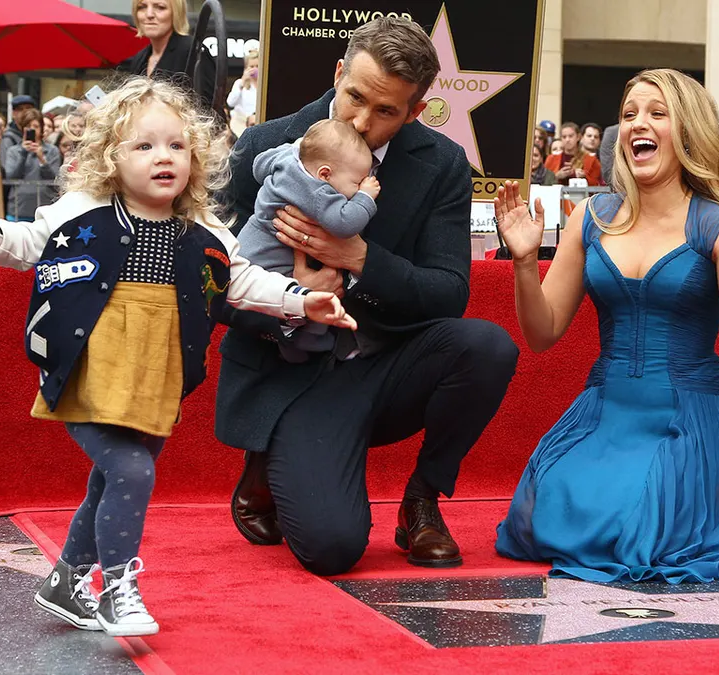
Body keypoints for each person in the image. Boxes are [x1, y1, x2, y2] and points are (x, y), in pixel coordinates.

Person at [0, 77, 355, 637]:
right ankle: (115, 588)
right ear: (111, 155)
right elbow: (25, 243)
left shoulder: (202, 229)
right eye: (144, 145)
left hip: (156, 376)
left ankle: (65, 581)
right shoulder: (83, 209)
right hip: (90, 371)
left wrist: (303, 301)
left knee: (111, 480)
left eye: (177, 146)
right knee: (130, 470)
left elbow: (242, 282)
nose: (164, 157)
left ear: (196, 157)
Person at [492, 68, 719, 583]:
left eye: (655, 113)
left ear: (686, 132)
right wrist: (523, 262)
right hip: (604, 415)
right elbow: (542, 333)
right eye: (628, 115)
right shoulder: (591, 216)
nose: (636, 124)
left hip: (691, 421)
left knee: (640, 528)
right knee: (544, 516)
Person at [219, 16, 518, 575]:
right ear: (338, 74)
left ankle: (423, 501)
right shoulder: (266, 146)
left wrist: (358, 259)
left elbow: (448, 294)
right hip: (294, 373)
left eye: (386, 111)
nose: (361, 119)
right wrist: (290, 302)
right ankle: (268, 455)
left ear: (414, 110)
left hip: (386, 364)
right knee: (333, 549)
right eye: (354, 96)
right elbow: (214, 284)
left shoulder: (443, 165)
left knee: (488, 346)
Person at [237, 118, 381, 363]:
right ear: (324, 174)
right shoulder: (318, 192)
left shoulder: (287, 159)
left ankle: (294, 342)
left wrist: (297, 148)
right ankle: (309, 339)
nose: (357, 188)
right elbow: (344, 223)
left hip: (249, 246)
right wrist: (366, 198)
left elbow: (259, 166)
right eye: (355, 183)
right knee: (309, 295)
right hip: (271, 260)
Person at [119, 0, 216, 109]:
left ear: (176, 13)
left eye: (160, 7)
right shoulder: (140, 58)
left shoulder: (192, 50)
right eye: (142, 7)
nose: (149, 14)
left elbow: (209, 110)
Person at [3, 107, 62, 222]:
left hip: (45, 209)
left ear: (41, 128)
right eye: (28, 127)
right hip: (18, 209)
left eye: (35, 126)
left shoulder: (52, 150)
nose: (32, 130)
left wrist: (42, 159)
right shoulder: (13, 151)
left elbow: (54, 179)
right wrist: (24, 153)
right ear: (22, 129)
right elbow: (11, 177)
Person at [227, 48, 260, 137]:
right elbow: (230, 103)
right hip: (241, 124)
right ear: (246, 68)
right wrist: (242, 82)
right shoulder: (239, 83)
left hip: (258, 123)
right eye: (252, 66)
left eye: (257, 66)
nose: (255, 69)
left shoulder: (264, 85)